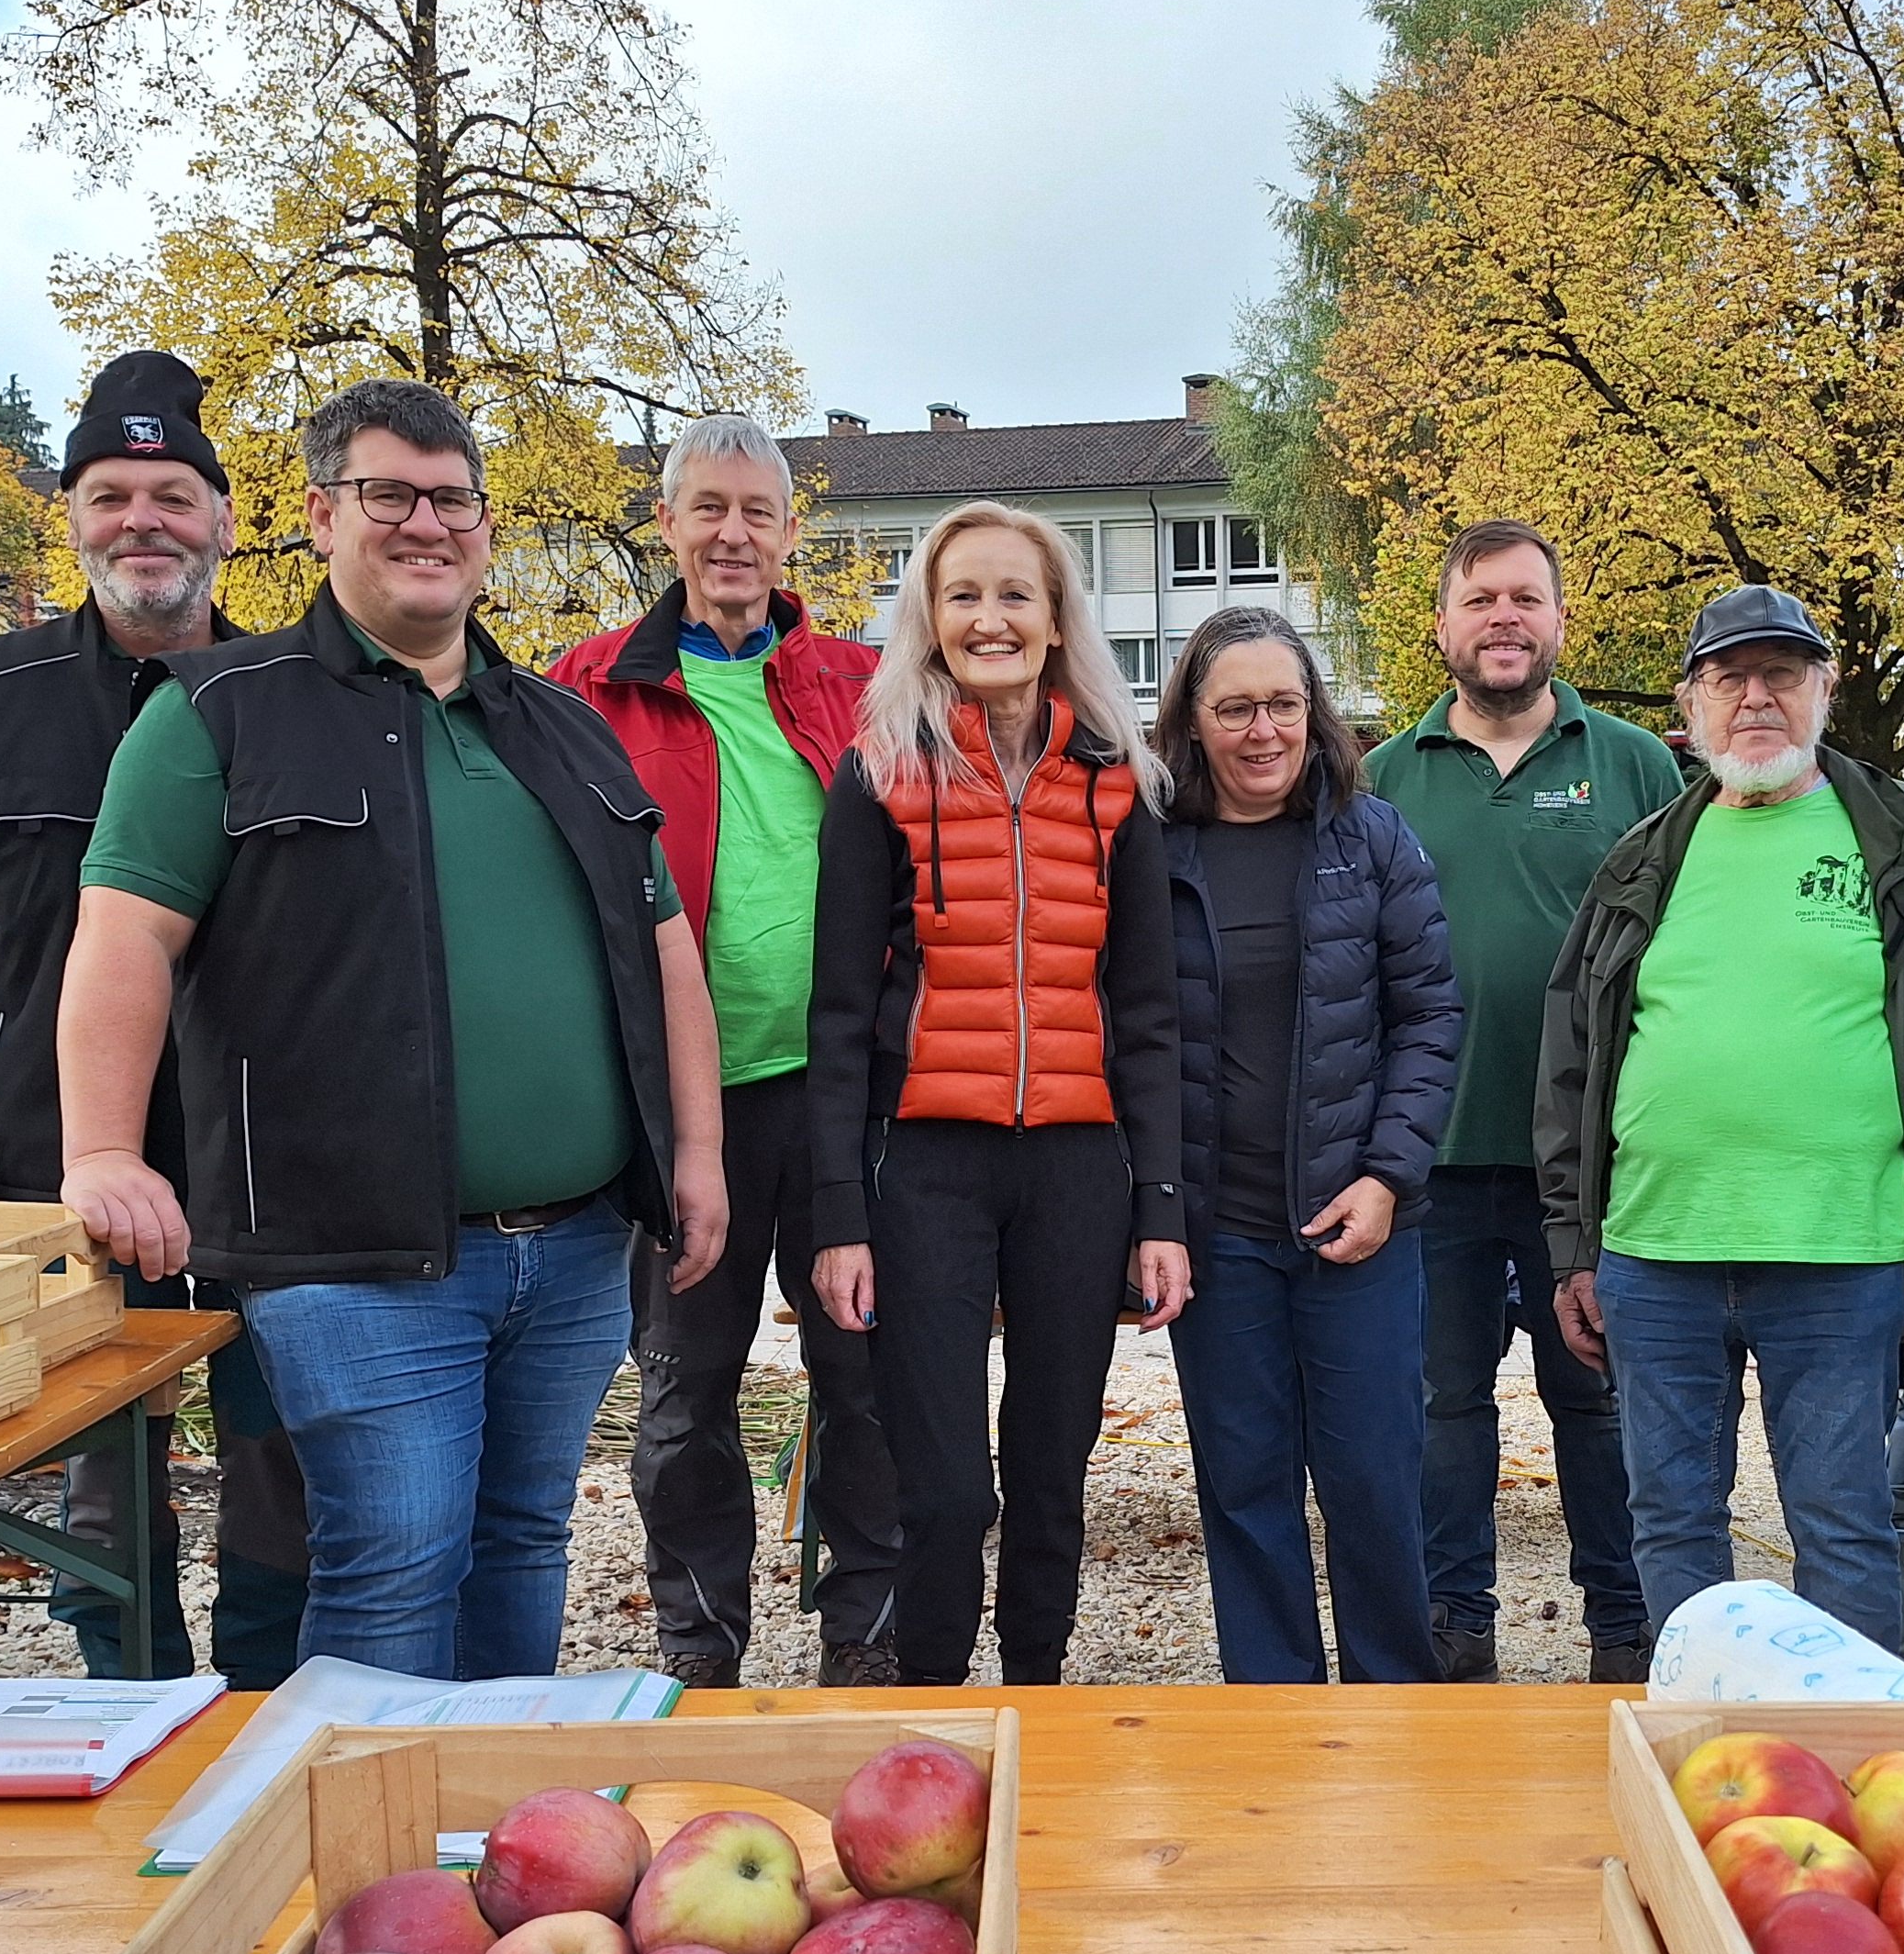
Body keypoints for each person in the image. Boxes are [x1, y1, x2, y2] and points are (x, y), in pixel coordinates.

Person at [52, 377, 729, 1680]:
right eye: (390, 496)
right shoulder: (215, 715)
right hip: (350, 1254)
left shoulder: (564, 728)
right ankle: (376, 1868)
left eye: (453, 500)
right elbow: (124, 937)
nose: (427, 523)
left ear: (482, 527)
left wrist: (695, 1157)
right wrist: (101, 1152)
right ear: (319, 516)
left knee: (523, 1540)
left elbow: (665, 953)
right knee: (396, 1553)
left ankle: (492, 1850)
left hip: (577, 1246)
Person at [0, 349, 304, 1683]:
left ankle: (261, 1696)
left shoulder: (298, 700)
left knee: (279, 1444)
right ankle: (125, 1685)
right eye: (114, 494)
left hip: (266, 1157)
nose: (146, 521)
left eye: (175, 494)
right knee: (103, 1458)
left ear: (224, 523)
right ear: (71, 516)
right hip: (55, 1159)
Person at [1533, 586, 1904, 1654]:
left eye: (1782, 673)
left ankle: (1846, 1762)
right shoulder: (1646, 859)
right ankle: (1710, 1750)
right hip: (1655, 1253)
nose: (1757, 697)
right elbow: (1571, 1055)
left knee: (1842, 1526)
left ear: (1823, 691)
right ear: (1689, 707)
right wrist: (1571, 1245)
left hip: (1842, 1253)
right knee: (1673, 1522)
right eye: (1729, 676)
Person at [805, 502, 1186, 1686]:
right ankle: (931, 1709)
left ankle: (1039, 1700)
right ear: (928, 617)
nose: (991, 618)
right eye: (963, 594)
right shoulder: (880, 777)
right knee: (948, 1485)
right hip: (925, 1168)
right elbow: (832, 1015)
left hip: (1077, 1168)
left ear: (1058, 616)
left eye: (1016, 594)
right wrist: (837, 1219)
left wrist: (1160, 1208)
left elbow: (1152, 1017)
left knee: (1051, 1467)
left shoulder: (1116, 785)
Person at [550, 416, 898, 1689]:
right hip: (685, 1105)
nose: (733, 534)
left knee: (862, 1375)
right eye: (708, 509)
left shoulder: (863, 683)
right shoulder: (588, 687)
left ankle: (865, 1635)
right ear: (669, 523)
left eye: (757, 511)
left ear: (793, 532)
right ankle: (703, 1649)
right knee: (688, 1394)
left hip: (844, 1100)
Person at [1364, 521, 1676, 1686]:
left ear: (1558, 620)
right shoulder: (1387, 775)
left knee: (1596, 1404)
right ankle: (1455, 1626)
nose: (1505, 617)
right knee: (1442, 1410)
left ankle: (1625, 1624)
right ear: (1443, 625)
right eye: (1481, 598)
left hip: (1587, 1167)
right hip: (1425, 1156)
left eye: (1527, 598)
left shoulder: (1639, 764)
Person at [1156, 605, 1463, 1683]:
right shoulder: (1154, 847)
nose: (1262, 731)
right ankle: (1272, 1712)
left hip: (1359, 1227)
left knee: (1375, 1479)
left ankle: (1395, 1704)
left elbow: (1430, 1015)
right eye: (1233, 708)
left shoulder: (1368, 837)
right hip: (1219, 1230)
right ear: (1192, 722)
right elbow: (1130, 1035)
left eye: (1282, 704)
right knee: (1243, 1484)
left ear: (1313, 713)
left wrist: (1388, 1175)